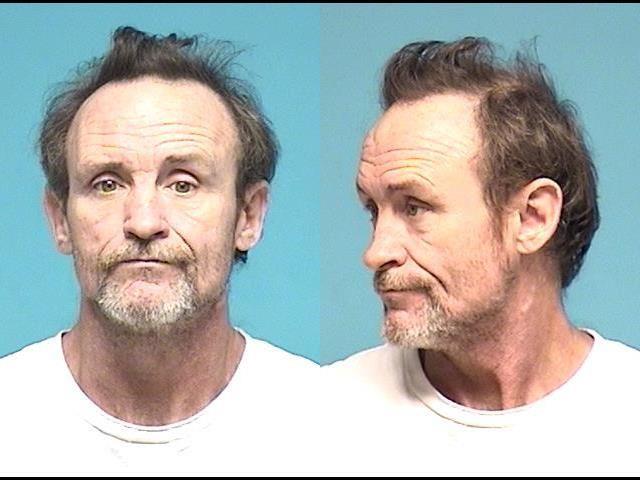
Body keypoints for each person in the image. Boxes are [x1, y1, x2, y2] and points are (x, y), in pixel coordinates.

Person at [0, 26, 318, 474]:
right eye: (107, 184)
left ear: (248, 216)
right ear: (59, 219)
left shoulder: (328, 424)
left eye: (183, 184)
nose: (144, 222)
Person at [324, 37, 640, 474]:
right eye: (373, 210)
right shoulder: (322, 418)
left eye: (414, 207)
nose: (376, 252)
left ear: (531, 218)